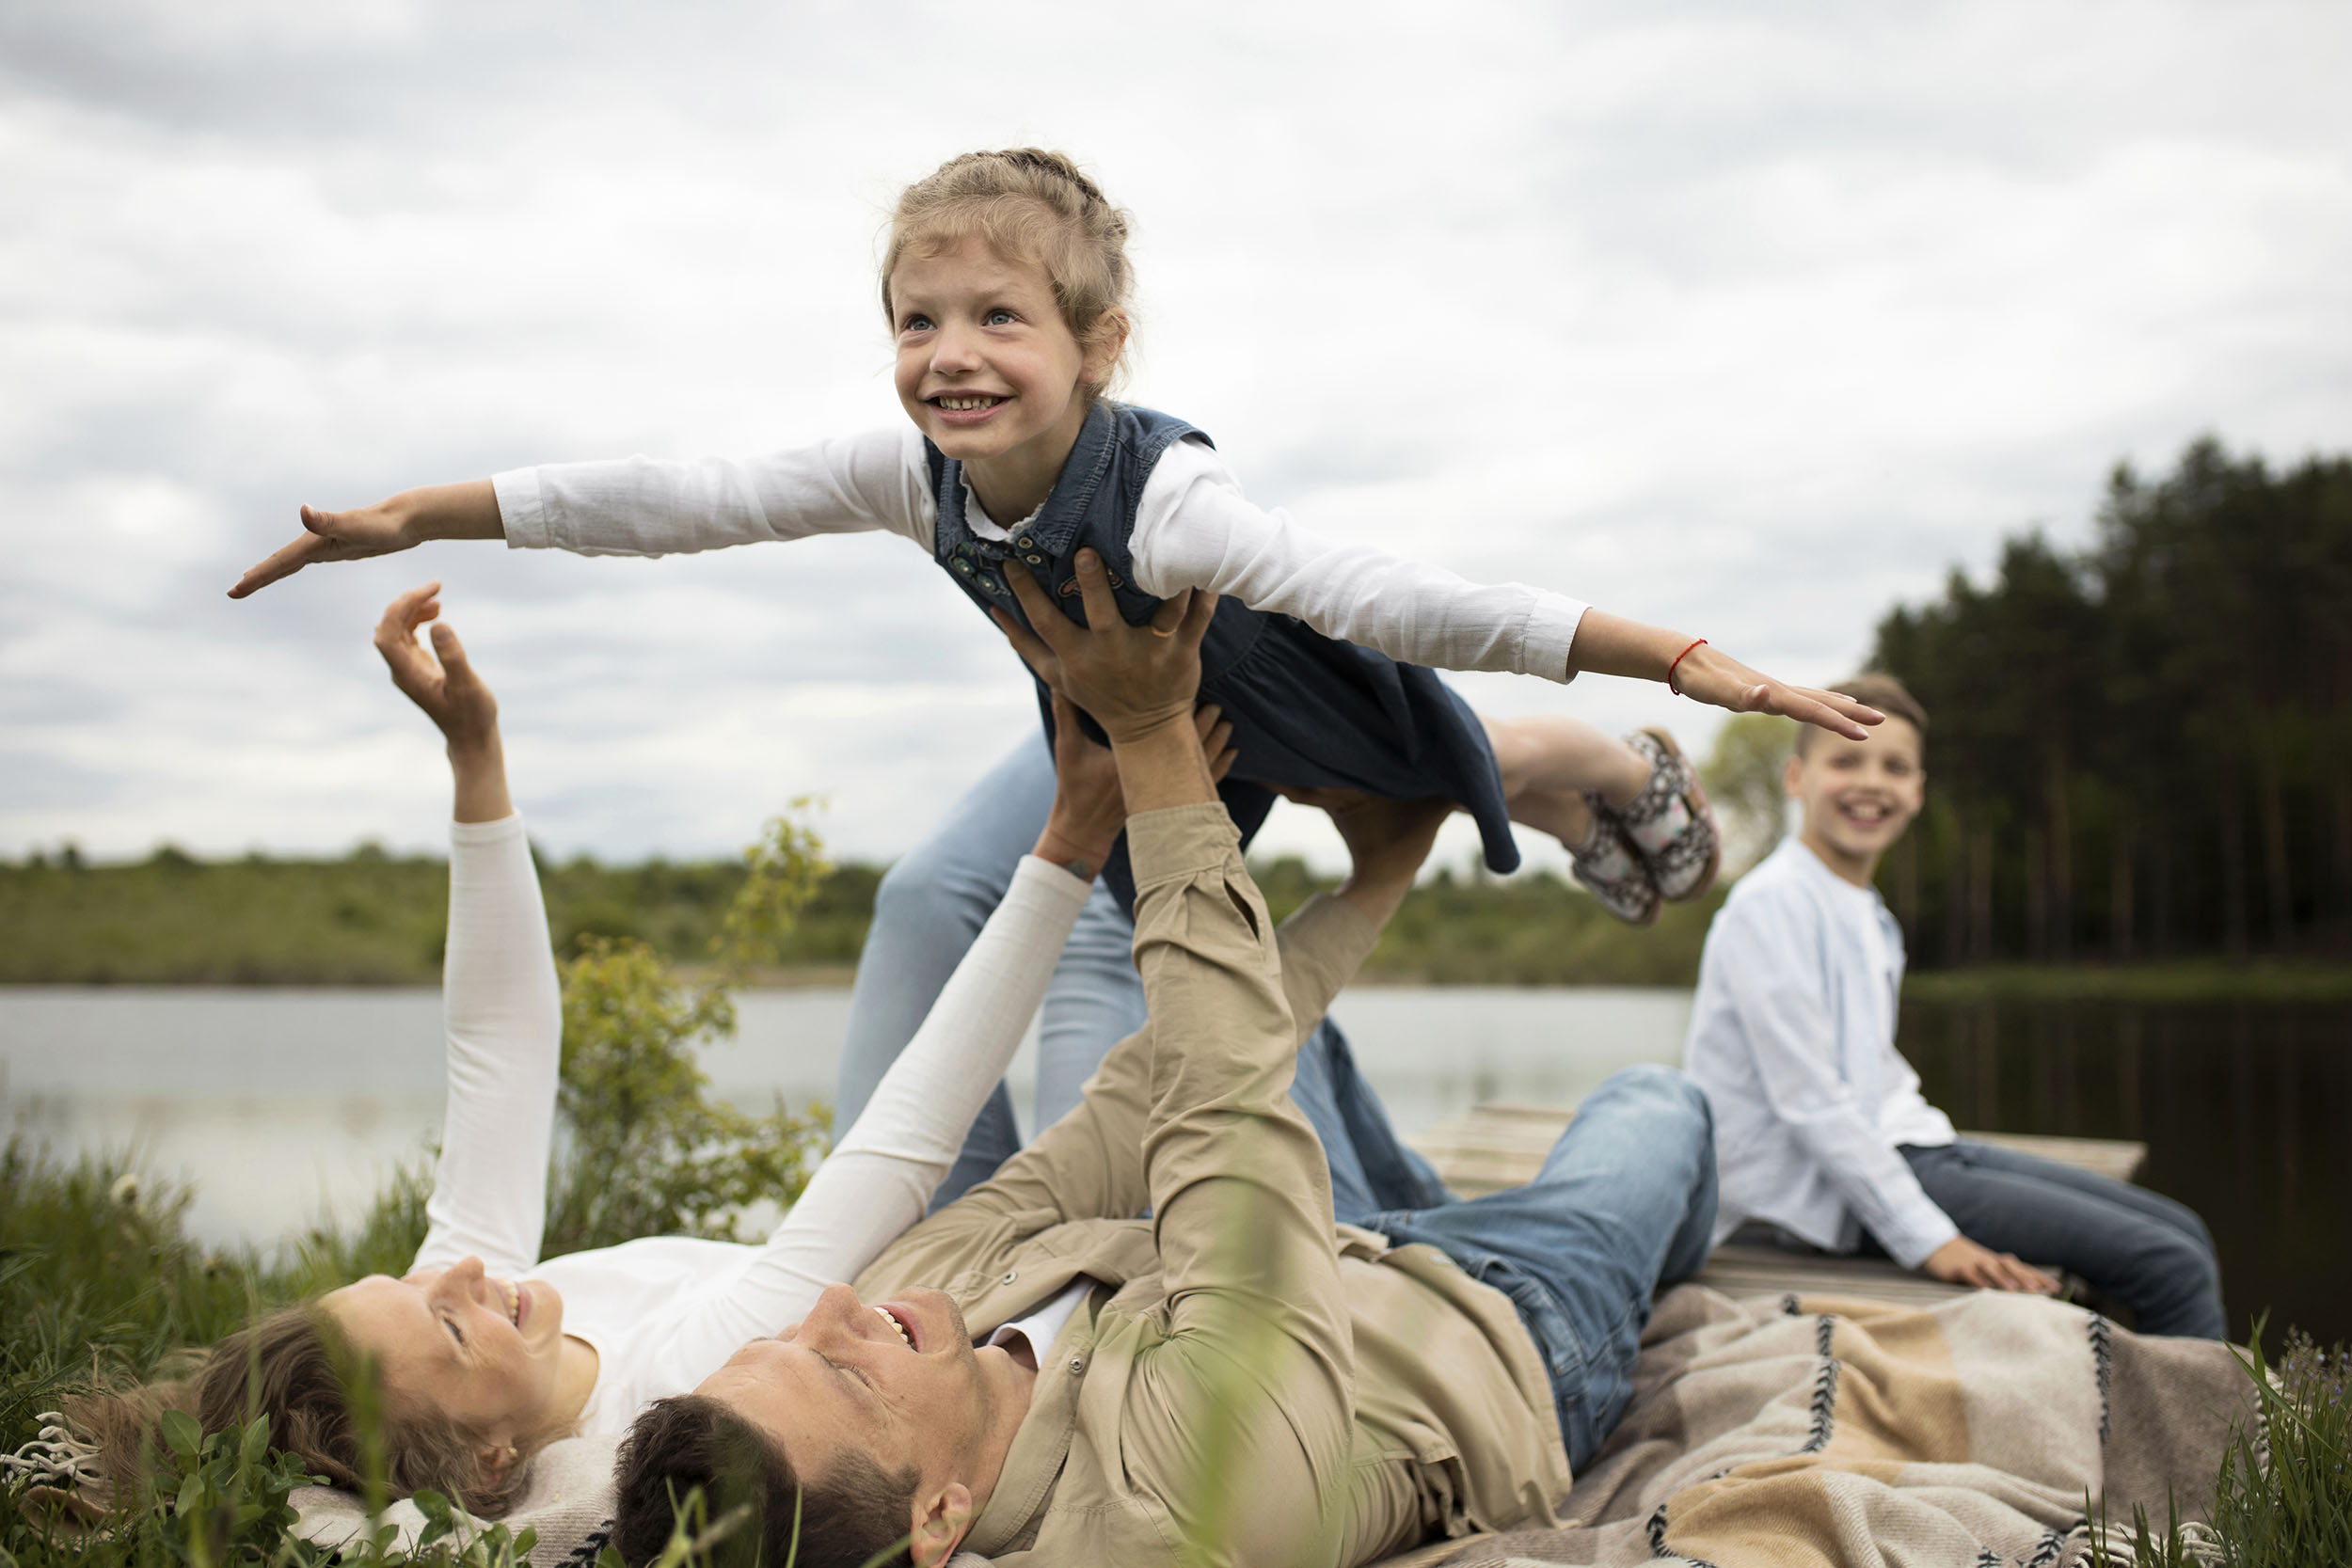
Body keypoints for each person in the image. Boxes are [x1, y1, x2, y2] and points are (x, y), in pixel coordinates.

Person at [228, 146, 1878, 1196]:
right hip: (1110, 719)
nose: (950, 353)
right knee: (935, 904)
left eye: (999, 317)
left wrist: (1694, 662)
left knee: (1359, 791)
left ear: (1096, 349)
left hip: (1263, 704)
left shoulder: (1170, 495)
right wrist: (417, 513)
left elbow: (1394, 592)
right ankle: (944, 1242)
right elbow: (682, 500)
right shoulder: (908, 467)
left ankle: (1568, 753)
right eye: (917, 317)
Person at [610, 554, 1719, 1568]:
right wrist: (1154, 747)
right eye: (844, 1369)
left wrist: (1376, 878)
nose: (838, 1301)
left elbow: (1135, 1107)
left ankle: (1498, 769)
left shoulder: (922, 1299)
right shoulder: (1176, 1506)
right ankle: (1534, 762)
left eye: (789, 1333)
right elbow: (1220, 1108)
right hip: (1502, 1324)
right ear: (938, 1516)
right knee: (1656, 1105)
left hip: (1340, 1238)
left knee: (1249, 1013)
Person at [75, 581, 1234, 1513]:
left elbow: (499, 1047)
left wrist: (474, 758)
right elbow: (898, 1143)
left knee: (921, 902)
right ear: (489, 1460)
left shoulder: (505, 1306)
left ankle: (1168, 695)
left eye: (420, 1277)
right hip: (968, 1263)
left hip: (909, 1235)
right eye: (443, 1317)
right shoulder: (675, 1377)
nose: (463, 1272)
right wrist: (1071, 842)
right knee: (1113, 968)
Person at [1680, 673, 2226, 1338]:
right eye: (1845, 759)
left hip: (1911, 1145)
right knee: (2168, 1264)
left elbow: (1871, 1074)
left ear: (1917, 790)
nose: (1871, 781)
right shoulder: (1771, 904)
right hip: (1822, 1196)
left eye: (1895, 765)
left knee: (2185, 1229)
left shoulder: (1867, 912)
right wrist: (1929, 1238)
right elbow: (1812, 1101)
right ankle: (2203, 1441)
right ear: (1797, 777)